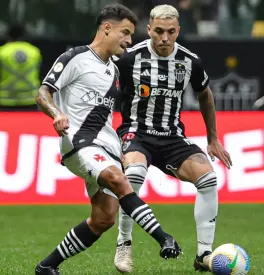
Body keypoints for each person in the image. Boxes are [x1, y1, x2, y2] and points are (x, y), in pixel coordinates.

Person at [34, 4, 181, 275]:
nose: (129, 40)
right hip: (80, 143)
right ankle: (164, 238)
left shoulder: (115, 69)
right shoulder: (75, 57)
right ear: (106, 28)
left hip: (108, 147)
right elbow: (43, 93)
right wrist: (56, 113)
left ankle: (47, 266)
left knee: (103, 219)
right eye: (125, 33)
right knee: (118, 180)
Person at [113, 4, 232, 273]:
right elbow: (108, 93)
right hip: (136, 132)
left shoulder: (190, 61)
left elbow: (205, 94)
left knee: (209, 178)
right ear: (148, 30)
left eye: (170, 32)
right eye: (158, 32)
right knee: (133, 175)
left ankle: (204, 254)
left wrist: (212, 138)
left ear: (178, 31)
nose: (164, 38)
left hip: (172, 137)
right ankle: (124, 245)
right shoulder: (129, 58)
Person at [0, 23, 41, 110]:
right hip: (30, 100)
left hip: (6, 101)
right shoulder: (35, 51)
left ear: (8, 36)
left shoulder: (1, 51)